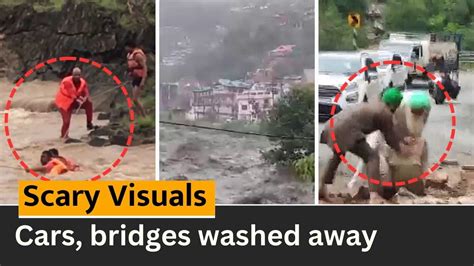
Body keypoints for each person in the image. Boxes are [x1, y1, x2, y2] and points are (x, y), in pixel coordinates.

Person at [319, 88, 413, 200]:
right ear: (395, 104)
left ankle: (322, 188)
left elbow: (391, 131)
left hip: (331, 126)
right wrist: (403, 150)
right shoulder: (385, 113)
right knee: (372, 157)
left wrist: (402, 140)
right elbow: (390, 137)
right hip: (347, 131)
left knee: (338, 155)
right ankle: (375, 195)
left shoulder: (375, 104)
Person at [348, 91, 432, 200]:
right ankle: (356, 185)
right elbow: (390, 128)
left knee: (419, 147)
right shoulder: (398, 108)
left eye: (420, 112)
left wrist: (413, 139)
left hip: (391, 130)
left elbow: (419, 126)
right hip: (378, 130)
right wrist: (401, 141)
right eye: (415, 112)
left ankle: (417, 181)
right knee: (371, 153)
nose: (418, 114)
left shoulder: (426, 108)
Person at [55, 67, 95, 141]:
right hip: (64, 102)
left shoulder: (83, 82)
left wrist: (85, 98)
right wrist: (79, 100)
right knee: (66, 121)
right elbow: (71, 94)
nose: (77, 77)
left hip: (75, 100)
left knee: (89, 103)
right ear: (72, 75)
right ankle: (64, 137)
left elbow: (86, 92)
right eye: (75, 75)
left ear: (80, 75)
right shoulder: (66, 82)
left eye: (78, 75)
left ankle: (89, 123)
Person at [125, 41, 148, 116]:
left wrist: (143, 81)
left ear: (130, 46)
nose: (125, 49)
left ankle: (144, 116)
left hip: (140, 78)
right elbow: (131, 67)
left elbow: (144, 67)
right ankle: (141, 116)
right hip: (135, 78)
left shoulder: (138, 55)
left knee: (135, 99)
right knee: (134, 100)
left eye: (126, 47)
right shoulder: (129, 55)